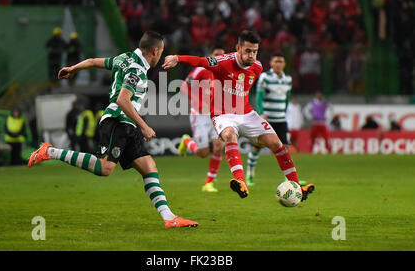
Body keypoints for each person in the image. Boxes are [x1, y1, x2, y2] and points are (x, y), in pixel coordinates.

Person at [28, 31, 198, 229]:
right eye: (160, 53)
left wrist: (73, 68)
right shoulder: (137, 70)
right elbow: (122, 100)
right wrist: (145, 126)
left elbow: (92, 61)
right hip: (118, 121)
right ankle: (49, 151)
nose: (160, 57)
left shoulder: (123, 58)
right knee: (105, 168)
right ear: (155, 50)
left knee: (149, 166)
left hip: (127, 124)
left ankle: (169, 218)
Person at [163, 30, 315, 201]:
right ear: (238, 48)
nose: (251, 55)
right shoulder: (223, 61)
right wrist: (177, 57)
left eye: (255, 51)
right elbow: (201, 61)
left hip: (246, 113)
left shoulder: (257, 67)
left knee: (277, 143)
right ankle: (240, 180)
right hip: (222, 114)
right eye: (248, 51)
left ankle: (297, 186)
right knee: (229, 136)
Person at [177, 46, 226, 193]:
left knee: (219, 147)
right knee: (203, 153)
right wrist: (198, 101)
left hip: (216, 114)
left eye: (221, 55)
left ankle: (209, 183)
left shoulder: (226, 72)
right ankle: (186, 140)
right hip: (199, 114)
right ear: (211, 56)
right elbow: (184, 86)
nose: (218, 58)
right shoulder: (201, 69)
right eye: (216, 54)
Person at [246, 53, 292, 187]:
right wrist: (261, 113)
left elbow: (287, 98)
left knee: (285, 149)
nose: (278, 64)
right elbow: (259, 97)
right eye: (276, 61)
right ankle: (249, 174)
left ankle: (288, 179)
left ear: (284, 64)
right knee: (257, 147)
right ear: (271, 63)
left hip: (281, 119)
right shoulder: (265, 78)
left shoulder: (288, 79)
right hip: (267, 118)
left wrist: (284, 111)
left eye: (281, 61)